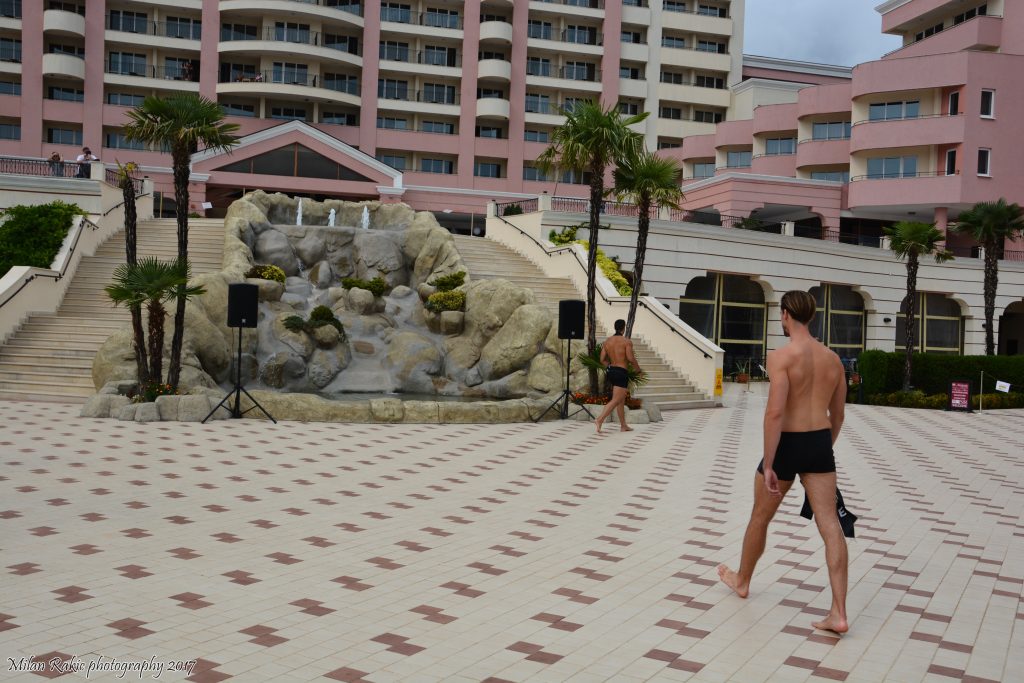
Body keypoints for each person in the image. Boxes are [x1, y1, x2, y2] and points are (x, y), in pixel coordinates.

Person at [717, 290, 849, 633]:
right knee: (830, 525)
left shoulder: (781, 357)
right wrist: (823, 449)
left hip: (787, 444)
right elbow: (838, 415)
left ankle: (742, 580)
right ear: (812, 316)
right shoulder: (833, 360)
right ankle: (838, 613)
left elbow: (775, 413)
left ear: (786, 314)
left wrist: (770, 464)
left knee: (760, 517)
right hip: (819, 443)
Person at [594, 319, 642, 434]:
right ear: (623, 328)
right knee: (616, 400)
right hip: (621, 372)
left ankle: (623, 425)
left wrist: (610, 366)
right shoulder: (626, 342)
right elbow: (630, 358)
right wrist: (638, 370)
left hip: (611, 371)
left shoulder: (607, 342)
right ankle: (600, 419)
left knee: (620, 399)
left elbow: (602, 359)